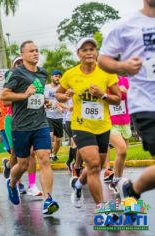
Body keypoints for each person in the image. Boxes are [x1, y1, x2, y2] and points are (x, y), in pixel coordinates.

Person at [98, 0, 155, 201]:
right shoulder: (127, 24)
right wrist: (124, 66)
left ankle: (132, 190)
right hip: (146, 104)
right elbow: (103, 59)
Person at [55, 38, 121, 210]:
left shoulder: (106, 73)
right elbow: (58, 95)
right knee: (92, 164)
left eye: (92, 49)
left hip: (103, 126)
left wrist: (103, 95)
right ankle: (101, 207)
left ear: (97, 52)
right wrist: (66, 95)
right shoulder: (70, 74)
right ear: (78, 54)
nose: (89, 52)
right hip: (80, 125)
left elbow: (117, 99)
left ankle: (78, 185)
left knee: (96, 167)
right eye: (85, 50)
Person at [1, 40, 59, 215]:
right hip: (21, 126)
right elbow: (4, 96)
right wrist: (24, 94)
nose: (35, 53)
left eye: (37, 50)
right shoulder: (16, 73)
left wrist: (45, 101)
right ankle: (12, 183)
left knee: (44, 159)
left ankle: (48, 200)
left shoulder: (42, 73)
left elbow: (38, 95)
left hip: (40, 123)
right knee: (24, 164)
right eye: (31, 51)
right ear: (23, 54)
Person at [103, 76, 130, 193]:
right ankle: (115, 178)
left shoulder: (125, 80)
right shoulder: (102, 80)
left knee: (123, 154)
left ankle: (116, 181)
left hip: (125, 121)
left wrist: (127, 91)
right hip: (110, 121)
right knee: (122, 149)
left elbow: (136, 98)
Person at [44, 69, 64, 161]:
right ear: (51, 77)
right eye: (56, 76)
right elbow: (42, 99)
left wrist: (62, 107)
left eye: (59, 77)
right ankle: (46, 154)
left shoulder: (63, 88)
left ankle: (53, 155)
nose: (58, 78)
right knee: (50, 134)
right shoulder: (46, 87)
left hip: (59, 116)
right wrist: (46, 104)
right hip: (48, 115)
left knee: (58, 139)